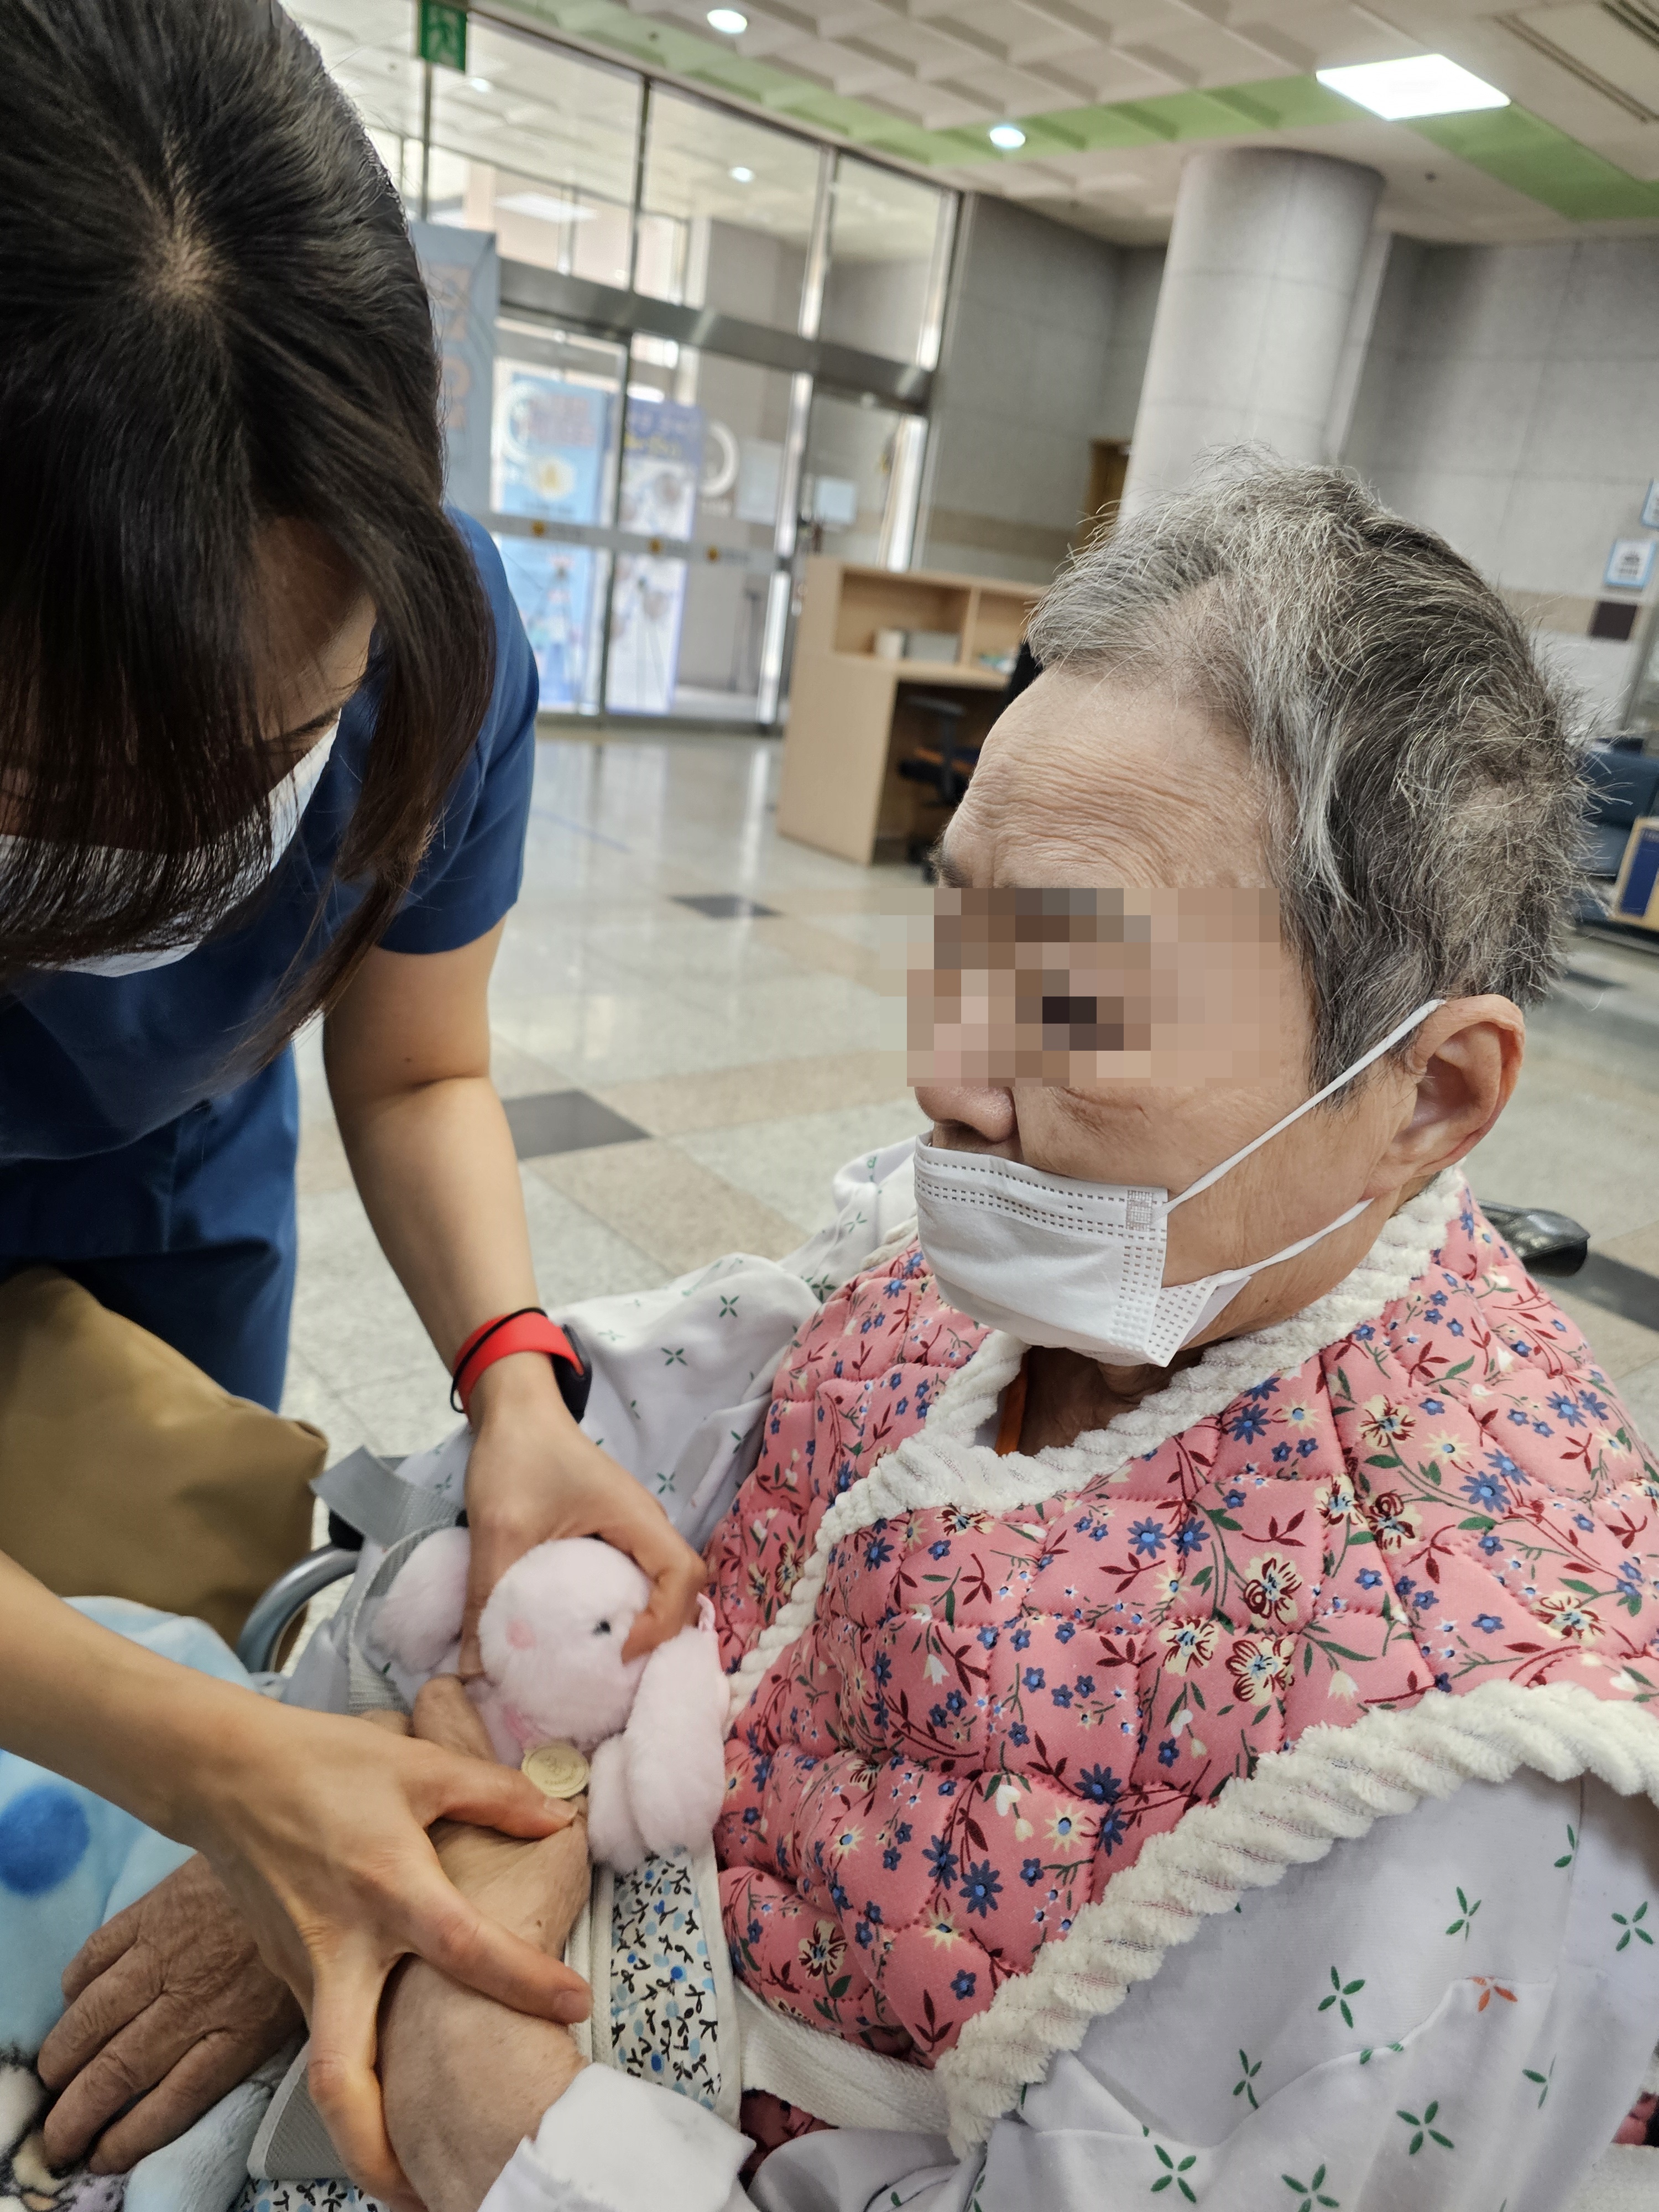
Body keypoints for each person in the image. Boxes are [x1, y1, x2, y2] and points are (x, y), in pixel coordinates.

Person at [33, 458, 1659, 2212]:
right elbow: (604, 1482)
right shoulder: (982, 1248)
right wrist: (322, 1791)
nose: (945, 1076)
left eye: (1076, 999)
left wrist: (468, 2051)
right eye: (955, 925)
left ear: (1432, 1093)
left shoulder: (1470, 1794)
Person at [0, 0, 700, 2195]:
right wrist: (214, 1769)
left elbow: (419, 1062)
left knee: (169, 1547)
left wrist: (514, 1374)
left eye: (274, 748)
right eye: (80, 792)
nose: (203, 842)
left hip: (167, 1190)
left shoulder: (439, 640)